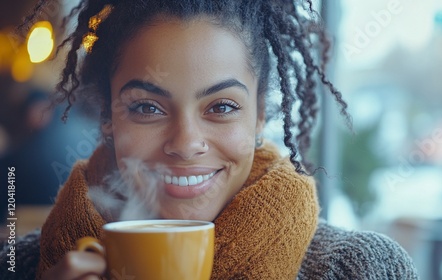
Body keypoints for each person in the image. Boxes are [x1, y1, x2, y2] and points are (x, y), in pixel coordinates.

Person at [1, 0, 420, 279]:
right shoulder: (21, 265)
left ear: (259, 115)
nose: (186, 143)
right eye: (147, 107)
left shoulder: (362, 268)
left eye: (221, 107)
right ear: (109, 117)